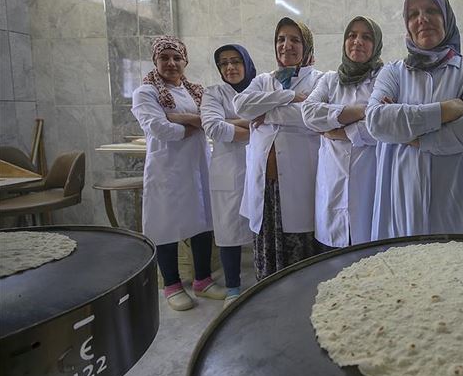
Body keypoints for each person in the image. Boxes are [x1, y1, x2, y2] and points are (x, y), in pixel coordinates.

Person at [365, 0, 463, 239]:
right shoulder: (393, 72)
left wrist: (416, 137)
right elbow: (376, 121)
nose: (422, 19)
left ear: (447, 18)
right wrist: (447, 110)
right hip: (402, 200)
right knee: (407, 271)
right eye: (413, 14)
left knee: (456, 271)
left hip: (455, 199)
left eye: (432, 10)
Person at [131, 36, 225, 311]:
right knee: (166, 225)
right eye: (165, 58)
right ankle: (172, 285)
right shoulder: (145, 93)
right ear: (155, 61)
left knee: (203, 222)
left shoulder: (195, 90)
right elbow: (160, 129)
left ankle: (203, 281)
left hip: (197, 166)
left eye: (177, 58)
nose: (171, 63)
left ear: (185, 61)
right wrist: (193, 125)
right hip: (167, 170)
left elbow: (212, 121)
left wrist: (179, 118)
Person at [234, 18, 324, 280]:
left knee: (301, 257)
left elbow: (311, 116)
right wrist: (288, 97)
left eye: (295, 40)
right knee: (267, 256)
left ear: (307, 46)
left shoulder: (321, 80)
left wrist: (267, 113)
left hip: (300, 183)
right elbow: (241, 106)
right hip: (265, 187)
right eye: (281, 39)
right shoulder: (264, 80)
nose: (286, 45)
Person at [302, 17, 383, 248]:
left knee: (370, 259)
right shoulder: (329, 80)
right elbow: (308, 113)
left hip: (370, 182)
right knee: (332, 262)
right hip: (332, 183)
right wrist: (360, 111)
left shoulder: (384, 79)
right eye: (352, 35)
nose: (357, 41)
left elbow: (382, 124)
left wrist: (338, 131)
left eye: (366, 37)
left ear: (376, 43)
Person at [200, 44, 257, 306]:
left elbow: (275, 118)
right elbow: (212, 127)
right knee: (228, 230)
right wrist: (253, 126)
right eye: (224, 63)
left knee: (260, 228)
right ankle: (233, 288)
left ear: (246, 63)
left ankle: (263, 280)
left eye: (236, 61)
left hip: (259, 168)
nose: (230, 67)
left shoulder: (260, 87)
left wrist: (230, 121)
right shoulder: (213, 93)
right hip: (227, 171)